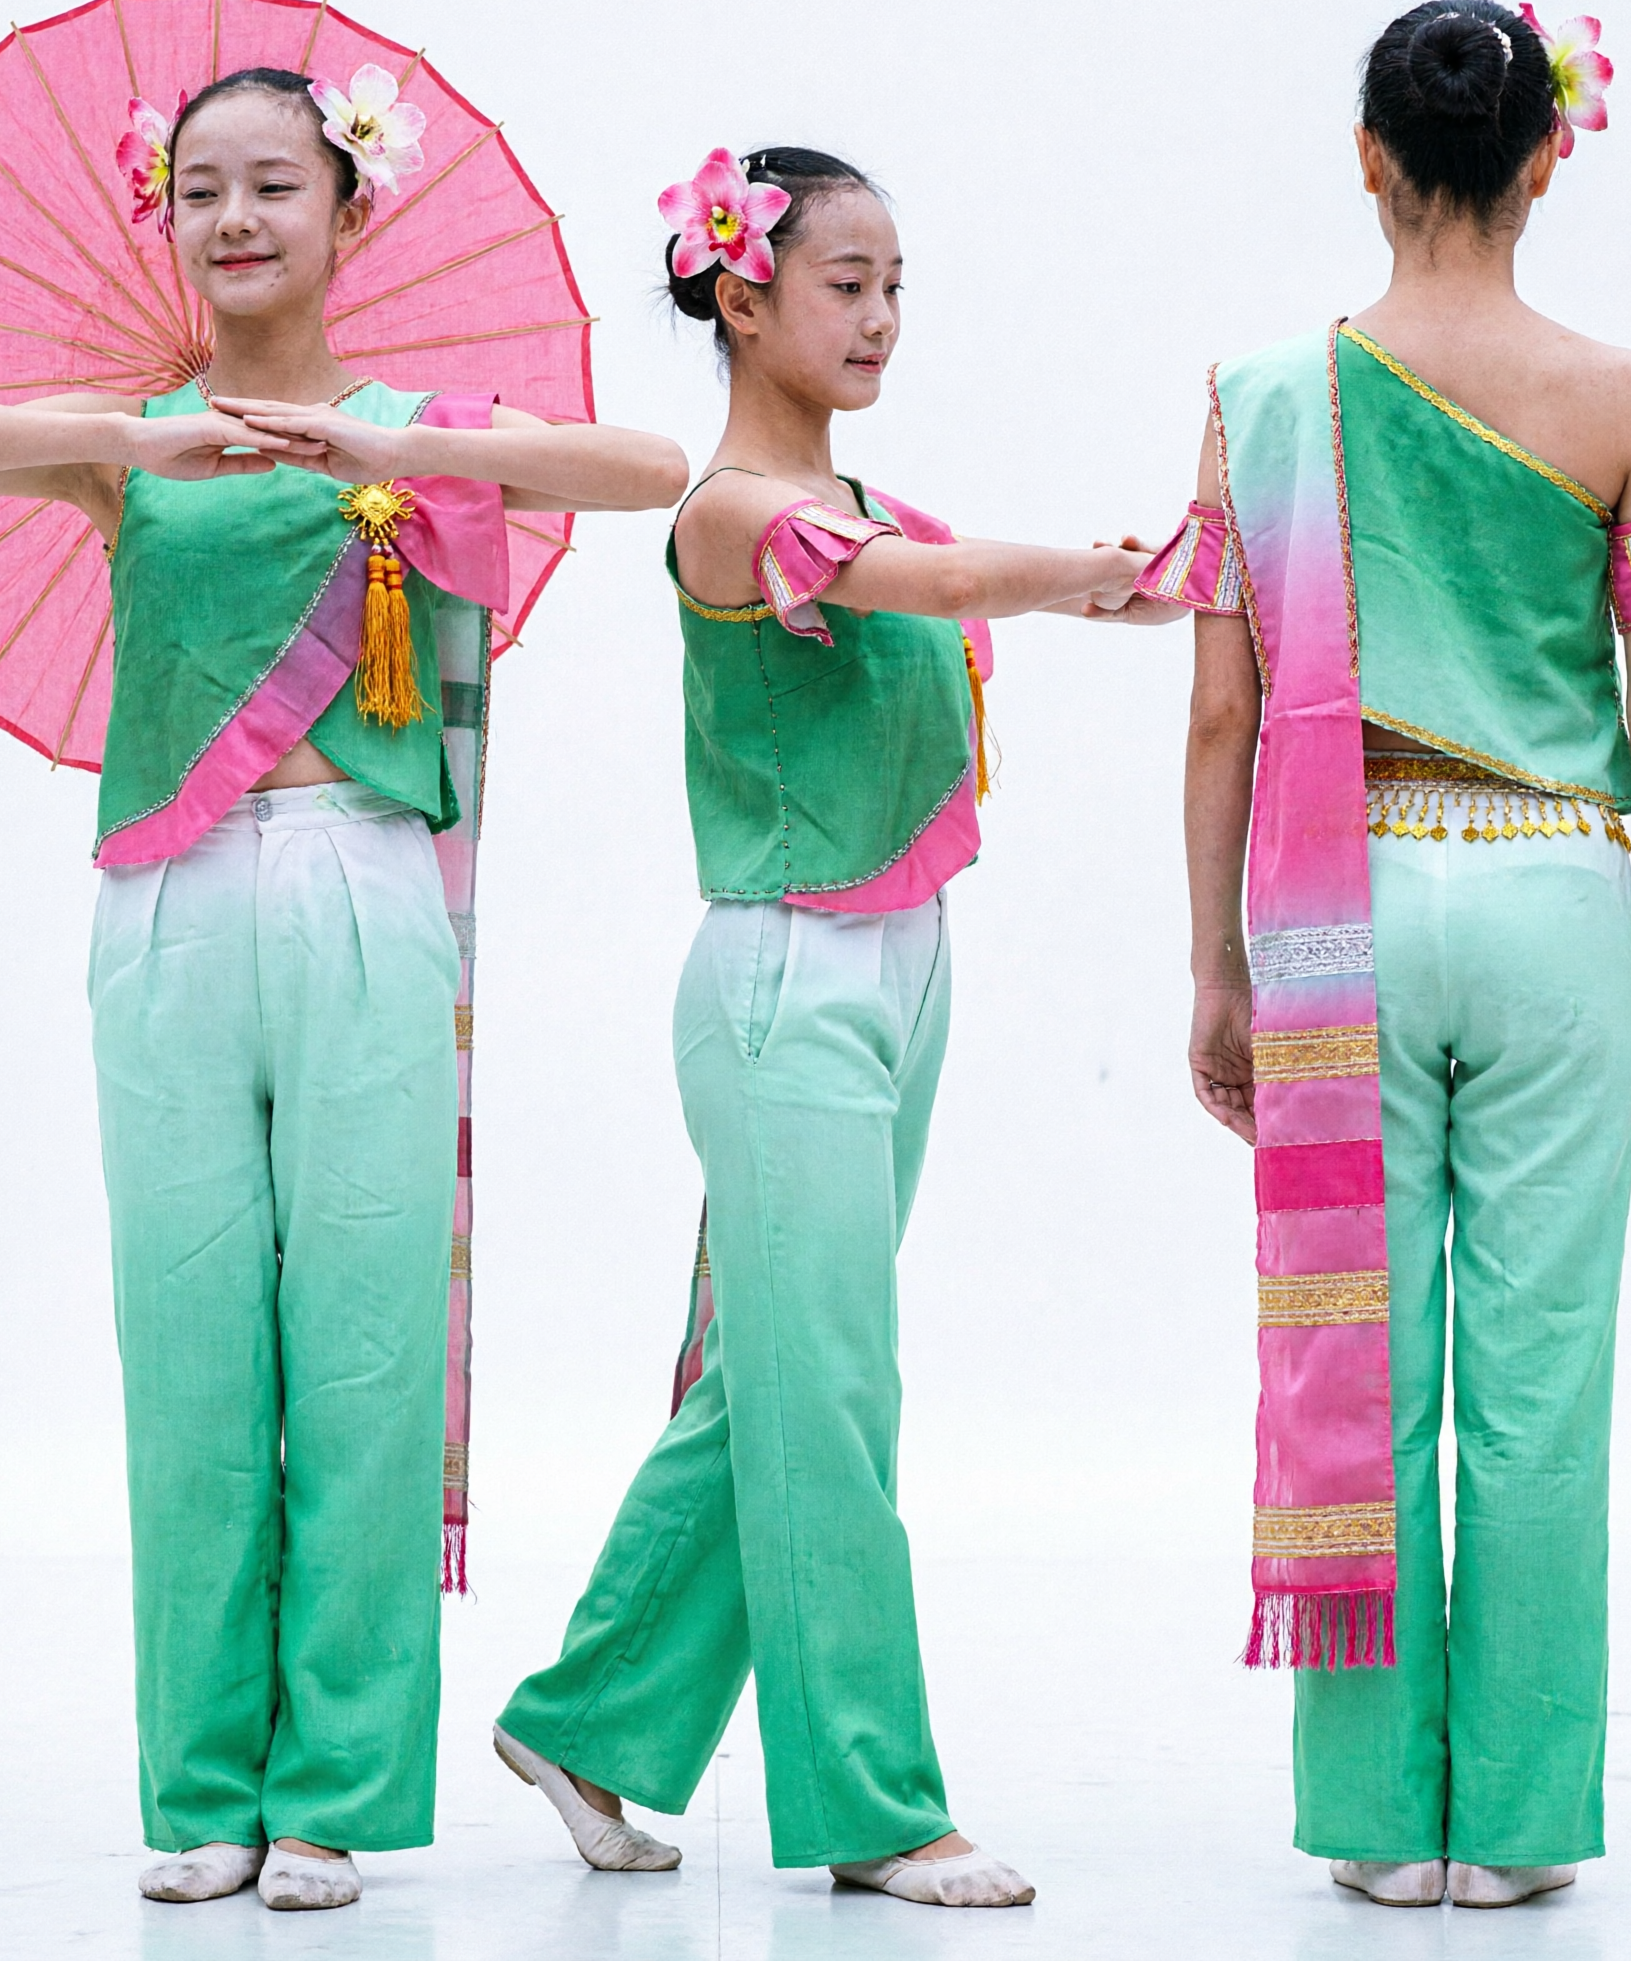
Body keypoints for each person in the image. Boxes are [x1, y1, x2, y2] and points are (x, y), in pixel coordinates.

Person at [0, 65, 687, 1912]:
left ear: (346, 210)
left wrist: (400, 460)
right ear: (169, 218)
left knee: (369, 1345)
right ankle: (205, 1782)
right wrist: (134, 449)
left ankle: (337, 1792)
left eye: (274, 187)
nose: (235, 221)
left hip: (367, 892)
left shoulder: (413, 424)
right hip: (161, 904)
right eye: (200, 190)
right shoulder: (129, 437)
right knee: (191, 1351)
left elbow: (651, 474)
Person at [490, 145, 1177, 1909]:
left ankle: (589, 1716)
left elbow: (937, 573)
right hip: (787, 981)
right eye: (842, 282)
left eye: (893, 286)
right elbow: (914, 587)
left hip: (897, 970)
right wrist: (1087, 577)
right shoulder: (732, 509)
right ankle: (875, 1804)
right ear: (740, 292)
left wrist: (1114, 578)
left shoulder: (861, 492)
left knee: (774, 1385)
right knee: (837, 1392)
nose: (876, 316)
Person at [1124, 0, 1631, 1910]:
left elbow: (1222, 718)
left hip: (1342, 910)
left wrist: (1217, 971)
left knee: (1357, 1365)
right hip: (1558, 894)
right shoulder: (1627, 399)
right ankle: (1530, 1825)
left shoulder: (1263, 399)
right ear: (1549, 157)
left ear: (1372, 161)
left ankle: (1383, 1823)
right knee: (1542, 1383)